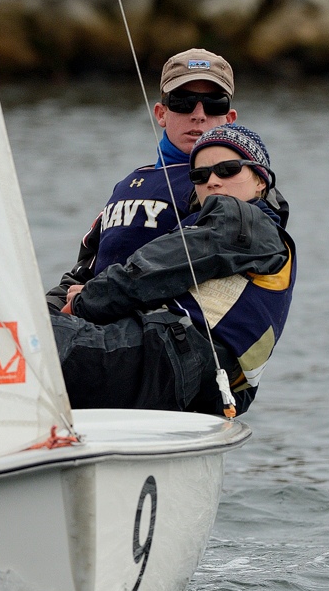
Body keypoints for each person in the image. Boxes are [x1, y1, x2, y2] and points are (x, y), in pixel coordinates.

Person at [50, 124, 296, 416]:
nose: (213, 181)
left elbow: (153, 269)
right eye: (200, 175)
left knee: (27, 337)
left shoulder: (243, 220)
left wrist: (85, 301)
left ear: (260, 181)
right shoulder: (236, 233)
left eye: (228, 170)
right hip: (198, 385)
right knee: (29, 328)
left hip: (168, 360)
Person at [46, 48, 289, 312]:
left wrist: (99, 295)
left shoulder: (237, 188)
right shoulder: (127, 185)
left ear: (229, 119)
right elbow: (81, 274)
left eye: (214, 104)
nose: (198, 114)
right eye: (183, 102)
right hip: (88, 317)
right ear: (161, 113)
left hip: (157, 327)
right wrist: (41, 314)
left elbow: (250, 243)